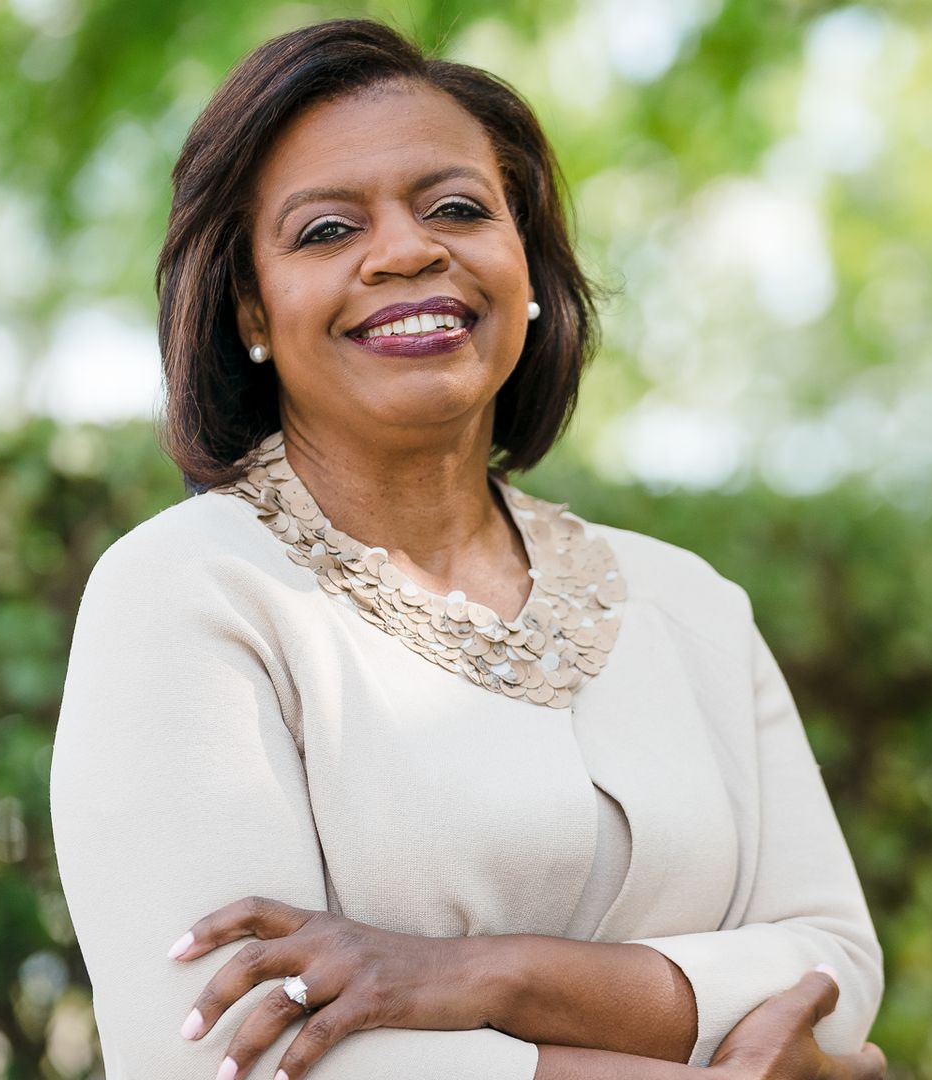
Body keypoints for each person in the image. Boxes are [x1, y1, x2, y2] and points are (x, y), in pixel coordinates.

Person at [48, 17, 886, 1080]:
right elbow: (225, 1056)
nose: (405, 251)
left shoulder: (692, 606)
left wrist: (477, 977)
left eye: (456, 208)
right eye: (324, 231)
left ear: (527, 269)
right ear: (251, 308)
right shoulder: (187, 595)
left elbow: (835, 973)